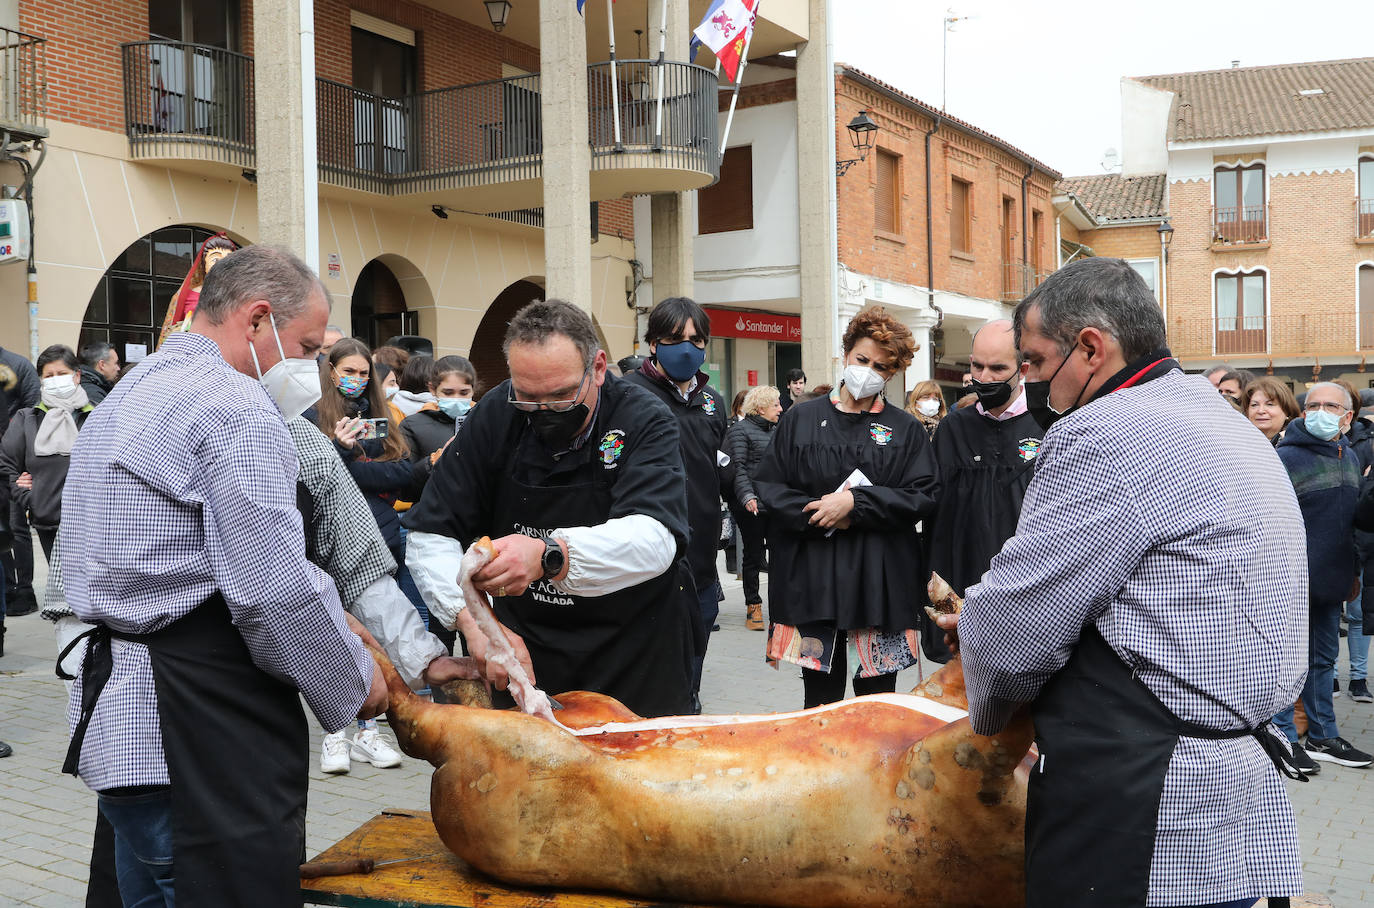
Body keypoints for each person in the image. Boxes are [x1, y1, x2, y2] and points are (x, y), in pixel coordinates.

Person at [936, 257, 1306, 907]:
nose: (1031, 381)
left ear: (1090, 347)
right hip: (1232, 783)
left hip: (1145, 802)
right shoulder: (1221, 417)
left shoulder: (1103, 430)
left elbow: (1022, 624)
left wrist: (977, 630)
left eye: (1033, 360)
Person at [59, 244, 387, 906]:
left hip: (121, 719)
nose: (310, 367)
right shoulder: (235, 406)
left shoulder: (136, 388)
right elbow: (270, 591)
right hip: (188, 726)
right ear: (257, 320)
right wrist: (353, 684)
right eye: (305, 346)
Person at [405, 299, 695, 717]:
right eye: (528, 398)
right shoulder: (495, 415)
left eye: (561, 397)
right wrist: (475, 624)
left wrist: (549, 555)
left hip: (635, 651)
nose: (544, 413)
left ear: (597, 368)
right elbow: (431, 531)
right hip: (527, 652)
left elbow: (654, 538)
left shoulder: (645, 418)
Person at [754, 306, 939, 708]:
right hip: (814, 579)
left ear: (892, 374)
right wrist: (816, 511)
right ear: (845, 353)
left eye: (881, 366)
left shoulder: (904, 429)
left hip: (879, 583)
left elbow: (923, 494)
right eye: (862, 359)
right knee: (819, 701)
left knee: (876, 706)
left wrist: (857, 503)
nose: (868, 370)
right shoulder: (800, 419)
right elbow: (769, 484)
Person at [622, 297, 730, 712]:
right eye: (673, 339)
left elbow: (718, 470)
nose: (686, 348)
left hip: (700, 565)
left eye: (696, 339)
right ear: (653, 343)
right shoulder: (627, 395)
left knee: (691, 677)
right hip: (643, 568)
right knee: (645, 683)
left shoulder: (712, 402)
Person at [925, 319, 1042, 663]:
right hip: (960, 590)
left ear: (1021, 370)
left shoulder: (1047, 425)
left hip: (1022, 595)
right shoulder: (952, 429)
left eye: (997, 368)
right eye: (977, 366)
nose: (985, 377)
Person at [1270, 382, 1374, 769]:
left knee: (1324, 661)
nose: (1320, 411)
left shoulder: (1347, 455)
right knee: (1290, 663)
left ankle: (1323, 735)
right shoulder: (1284, 457)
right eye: (1313, 404)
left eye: (1331, 405)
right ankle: (1282, 738)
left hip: (1332, 582)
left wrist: (1352, 573)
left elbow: (1350, 525)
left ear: (1347, 418)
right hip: (1290, 584)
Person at [0, 344, 94, 563]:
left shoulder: (95, 416)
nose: (55, 379)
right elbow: (6, 464)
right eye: (49, 375)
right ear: (41, 380)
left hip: (94, 523)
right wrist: (31, 497)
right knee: (62, 589)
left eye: (62, 374)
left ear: (77, 376)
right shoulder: (28, 419)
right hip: (48, 521)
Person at [725, 385, 781, 631]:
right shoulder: (739, 431)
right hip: (750, 505)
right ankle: (753, 605)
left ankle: (780, 606)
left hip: (776, 503)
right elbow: (738, 468)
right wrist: (748, 496)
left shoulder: (779, 430)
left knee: (780, 555)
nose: (781, 409)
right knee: (753, 555)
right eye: (776, 405)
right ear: (760, 408)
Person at [0, 345, 39, 618]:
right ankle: (7, 588)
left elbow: (31, 408)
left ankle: (24, 590)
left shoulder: (17, 364)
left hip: (12, 460)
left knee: (16, 526)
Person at [156, 233, 237, 345]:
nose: (221, 266)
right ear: (204, 263)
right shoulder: (189, 294)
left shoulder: (238, 295)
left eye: (227, 261)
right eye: (215, 260)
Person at [400, 355, 478, 463]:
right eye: (448, 393)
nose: (456, 399)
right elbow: (406, 473)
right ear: (432, 389)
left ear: (473, 390)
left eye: (464, 393)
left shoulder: (485, 421)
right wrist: (433, 462)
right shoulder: (412, 425)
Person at [1240, 377, 1299, 446]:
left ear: (1287, 411)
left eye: (1269, 404)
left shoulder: (1297, 443)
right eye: (1254, 405)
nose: (1260, 411)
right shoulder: (1238, 443)